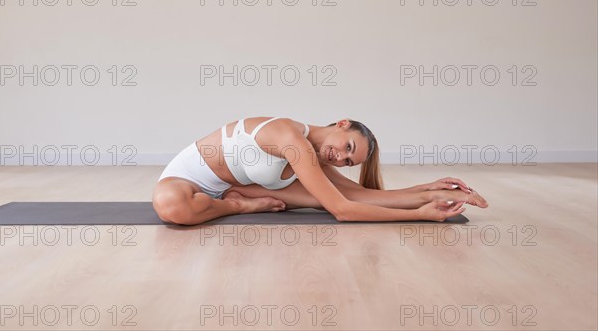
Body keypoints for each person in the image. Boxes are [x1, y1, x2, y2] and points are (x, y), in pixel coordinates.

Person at [152, 116, 489, 225]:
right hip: (189, 180)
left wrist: (431, 191)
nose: (340, 157)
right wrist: (420, 216)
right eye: (347, 147)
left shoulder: (313, 155)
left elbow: (357, 195)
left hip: (241, 183)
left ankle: (437, 193)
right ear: (341, 124)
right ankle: (238, 205)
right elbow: (342, 211)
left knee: (339, 194)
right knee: (171, 206)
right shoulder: (290, 138)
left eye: (347, 161)